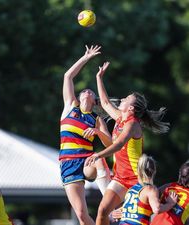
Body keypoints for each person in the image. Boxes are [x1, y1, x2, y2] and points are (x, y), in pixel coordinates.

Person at [85, 61, 170, 225]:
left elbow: (118, 144)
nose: (122, 99)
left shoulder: (132, 124)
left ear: (130, 108)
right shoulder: (120, 118)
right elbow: (104, 103)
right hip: (120, 178)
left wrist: (98, 155)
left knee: (126, 219)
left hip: (135, 180)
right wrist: (99, 77)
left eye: (126, 99)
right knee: (102, 212)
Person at [60, 45, 112, 225]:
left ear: (94, 99)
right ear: (80, 97)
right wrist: (86, 57)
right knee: (82, 215)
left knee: (98, 158)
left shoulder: (96, 119)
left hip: (86, 160)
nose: (87, 91)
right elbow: (68, 76)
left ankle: (111, 200)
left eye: (91, 91)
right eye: (84, 91)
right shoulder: (70, 107)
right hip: (68, 163)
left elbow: (110, 144)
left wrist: (98, 132)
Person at [119, 154, 178, 225]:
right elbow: (157, 209)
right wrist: (170, 203)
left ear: (138, 171)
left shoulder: (131, 189)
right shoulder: (151, 189)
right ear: (154, 171)